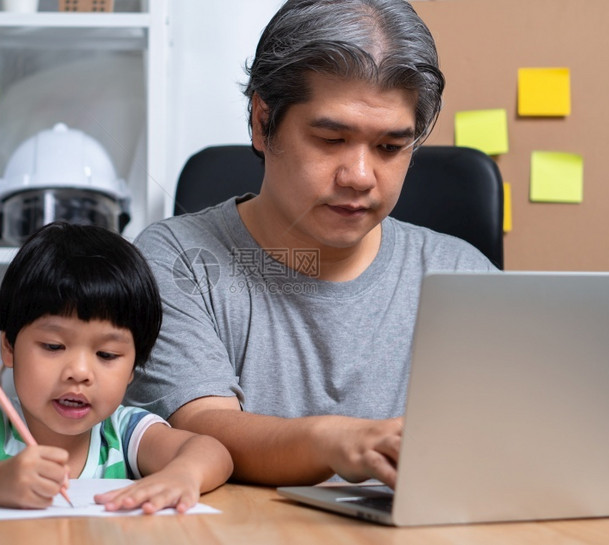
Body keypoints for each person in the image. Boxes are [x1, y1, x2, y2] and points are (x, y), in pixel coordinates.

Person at [125, 0, 497, 488]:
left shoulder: (462, 274)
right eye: (330, 139)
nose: (360, 177)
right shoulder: (178, 262)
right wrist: (337, 443)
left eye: (389, 147)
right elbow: (201, 431)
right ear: (262, 122)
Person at [0, 222, 232, 512]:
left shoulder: (124, 432)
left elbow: (213, 451)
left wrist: (183, 474)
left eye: (107, 355)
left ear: (132, 369)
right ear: (9, 347)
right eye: (53, 346)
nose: (79, 372)